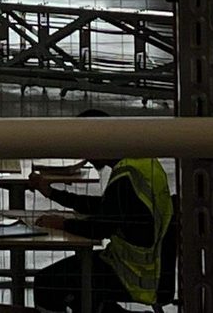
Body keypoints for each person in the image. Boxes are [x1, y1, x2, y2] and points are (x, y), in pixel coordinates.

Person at [26, 111, 173, 313]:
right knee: (77, 290)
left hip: (135, 275)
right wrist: (52, 193)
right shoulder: (141, 164)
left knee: (47, 282)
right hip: (147, 269)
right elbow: (106, 208)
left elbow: (98, 228)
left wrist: (62, 223)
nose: (85, 156)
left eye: (84, 147)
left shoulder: (126, 176)